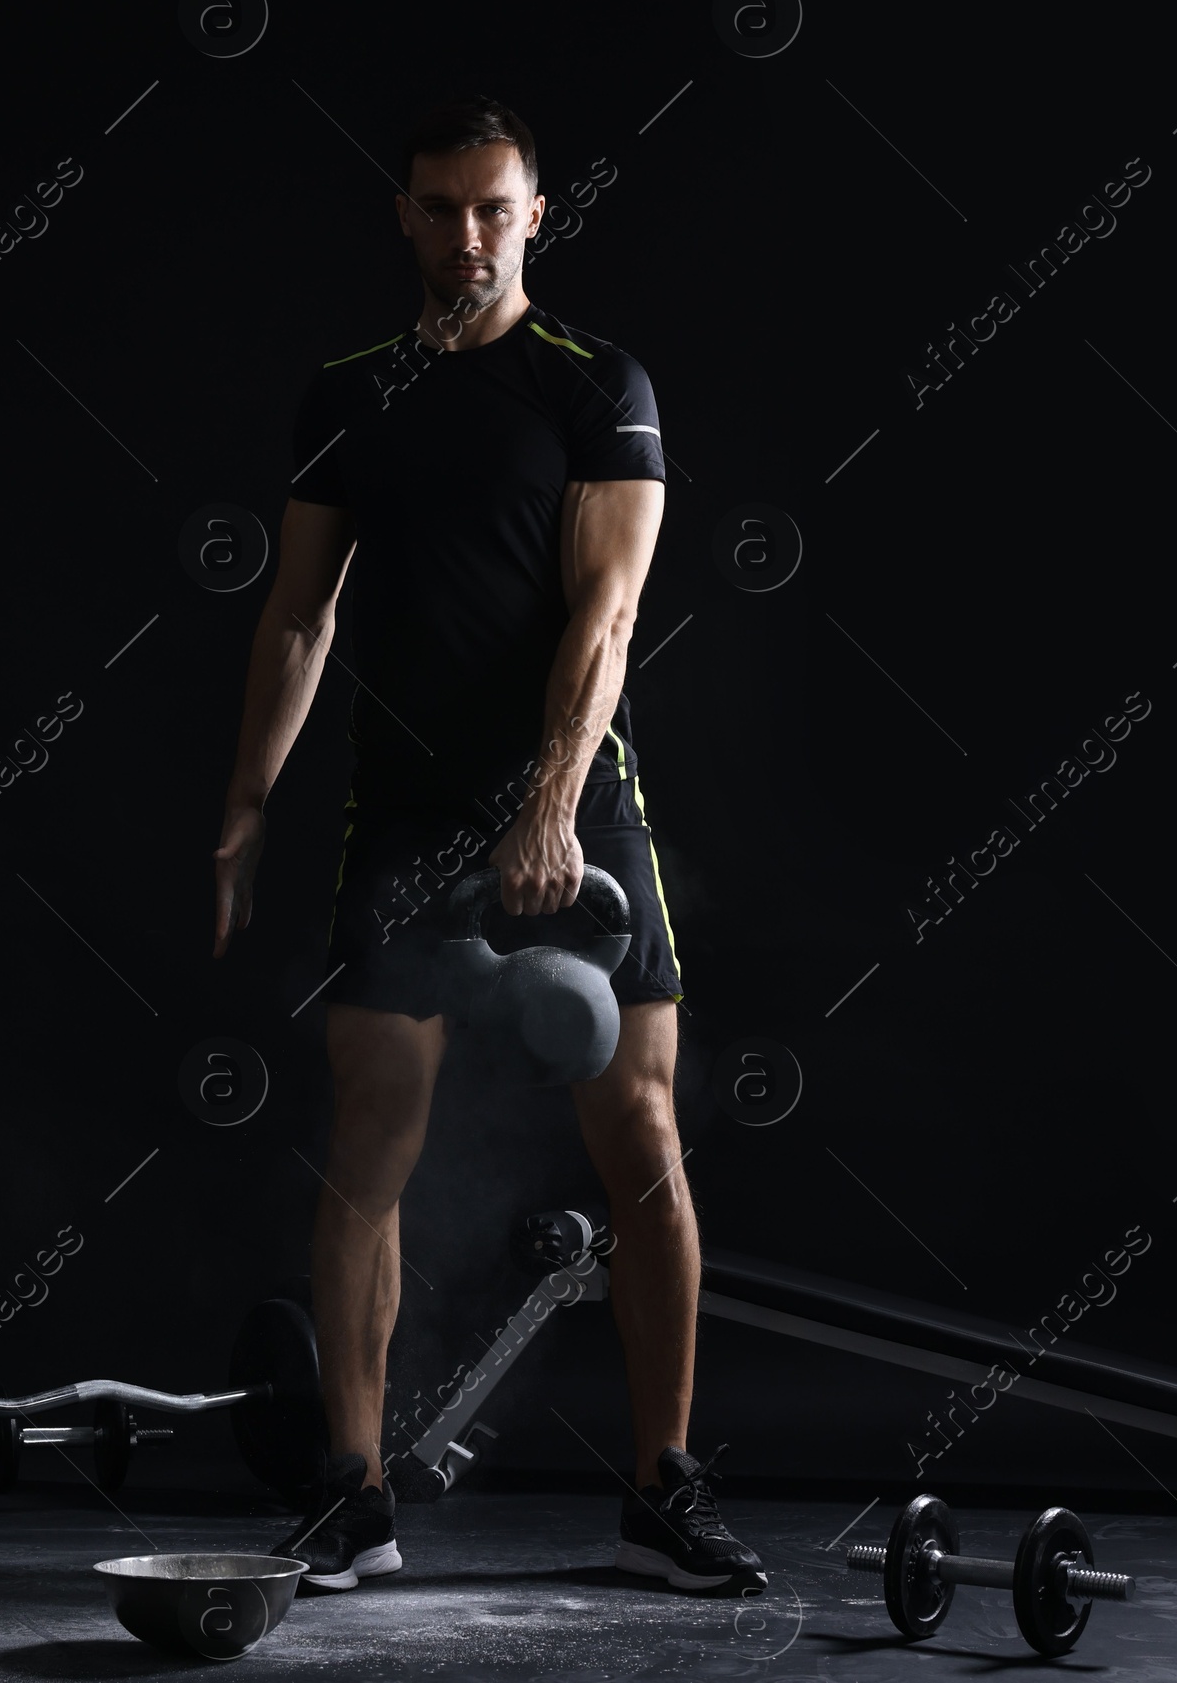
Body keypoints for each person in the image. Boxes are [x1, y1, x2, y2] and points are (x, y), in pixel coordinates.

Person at [212, 93, 764, 1597]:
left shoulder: (599, 387)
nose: (467, 233)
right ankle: (354, 1491)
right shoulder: (349, 391)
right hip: (398, 812)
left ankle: (663, 1487)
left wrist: (544, 809)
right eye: (441, 207)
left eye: (493, 207)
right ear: (405, 216)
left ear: (537, 213)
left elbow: (604, 624)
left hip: (574, 805)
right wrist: (247, 806)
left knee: (640, 1133)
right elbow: (302, 615)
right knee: (368, 1141)